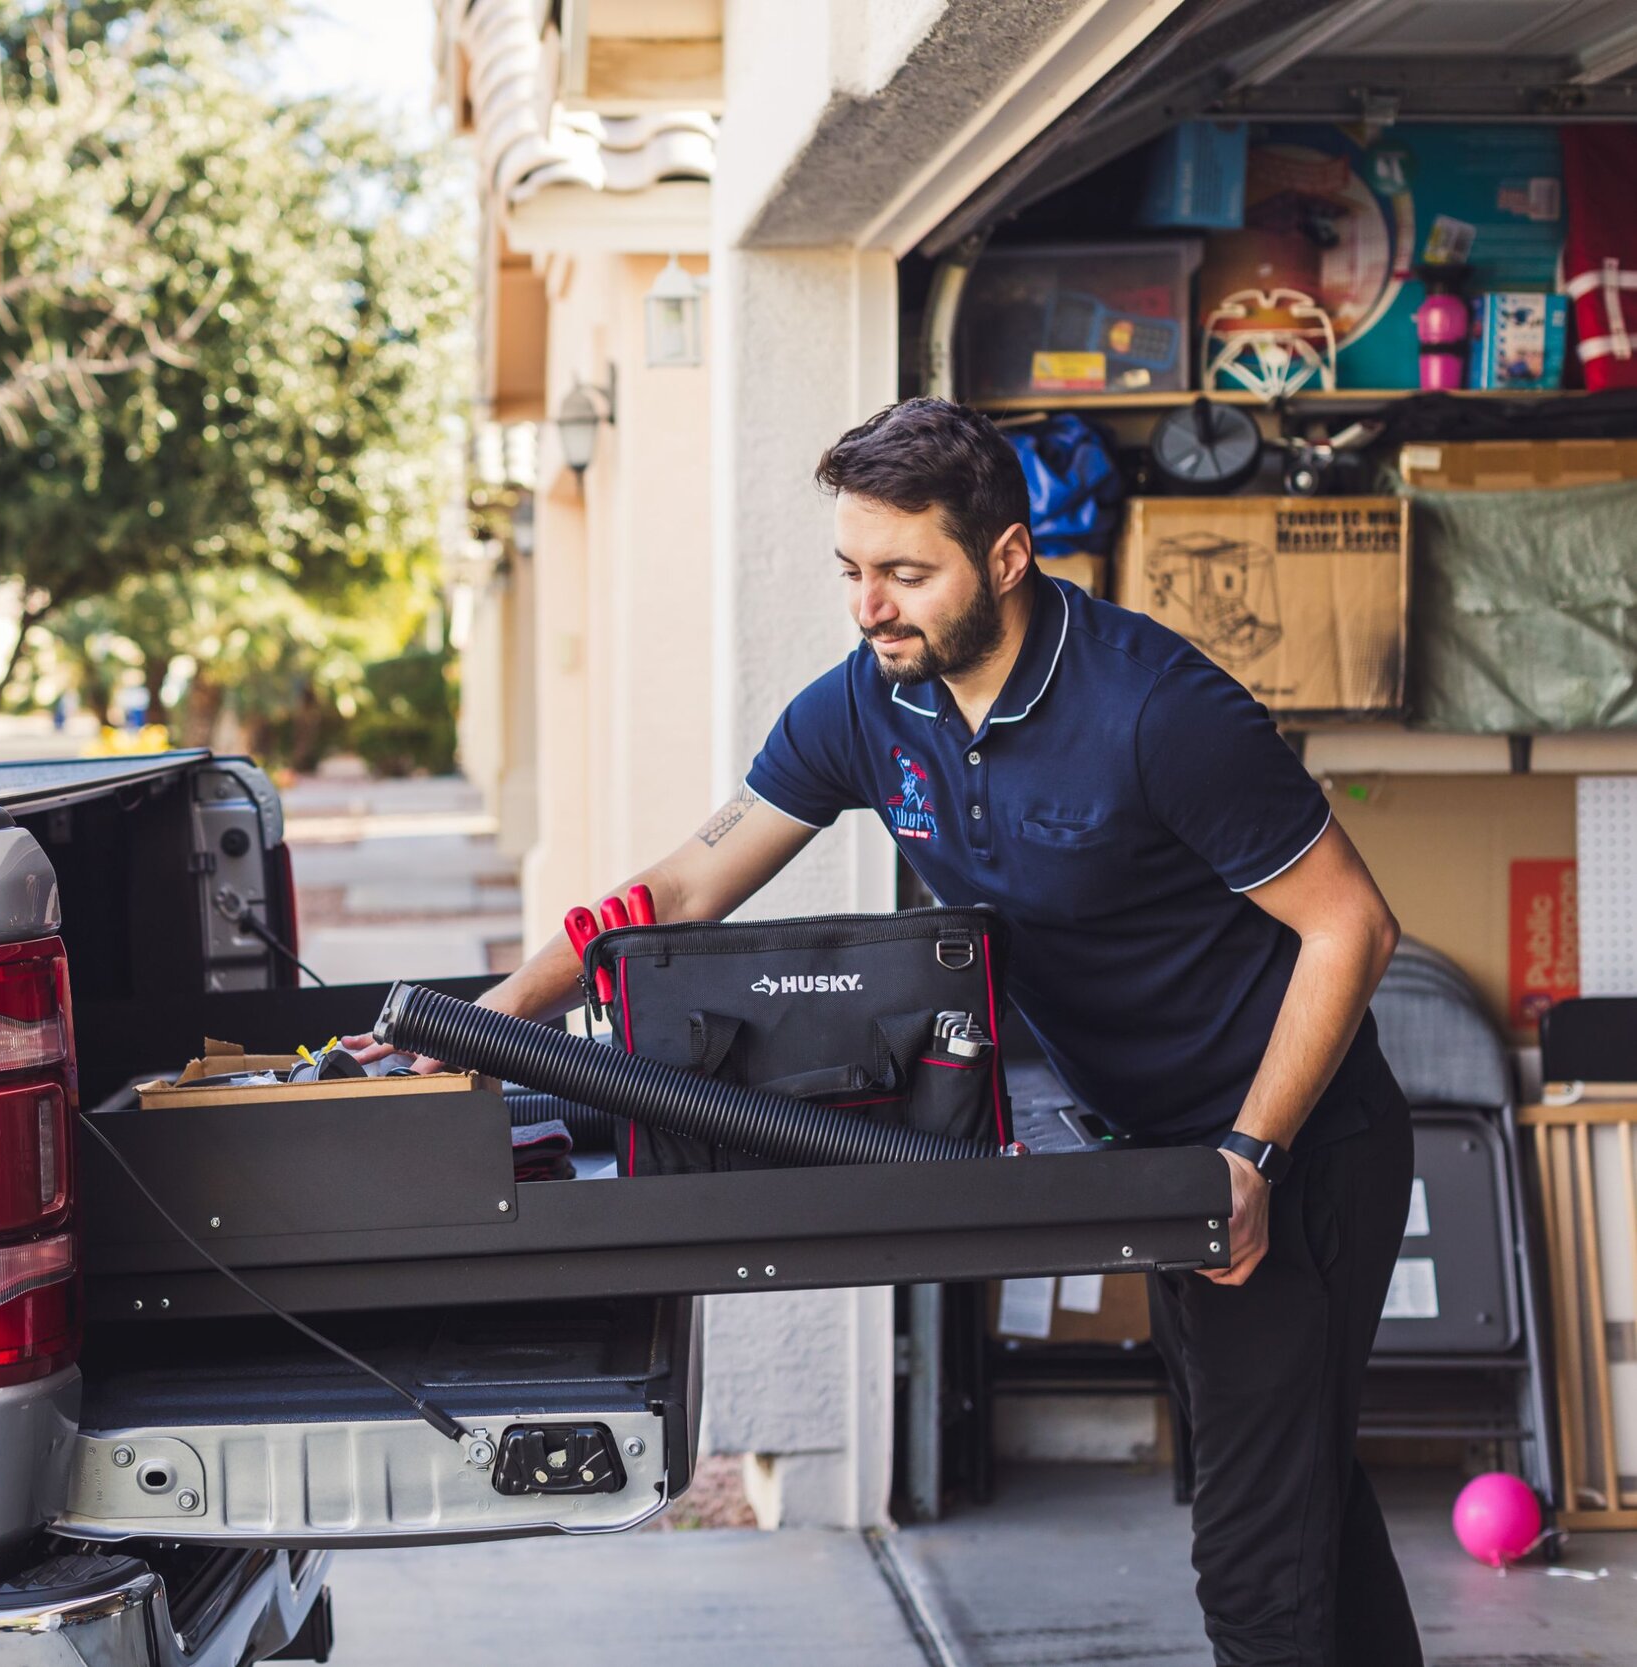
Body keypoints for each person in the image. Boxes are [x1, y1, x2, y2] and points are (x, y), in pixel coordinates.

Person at [354, 397, 1417, 1666]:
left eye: (906, 573)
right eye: (853, 571)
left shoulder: (1153, 708)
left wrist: (1251, 1152)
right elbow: (684, 885)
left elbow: (1352, 924)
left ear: (1009, 558)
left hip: (1298, 1144)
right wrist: (491, 1025)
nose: (870, 607)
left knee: (1253, 1559)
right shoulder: (870, 706)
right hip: (1161, 1148)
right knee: (1295, 1500)